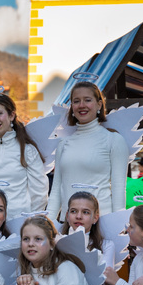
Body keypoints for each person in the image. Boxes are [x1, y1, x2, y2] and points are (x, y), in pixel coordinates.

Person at [47, 82, 128, 222]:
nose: (81, 105)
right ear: (71, 107)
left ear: (99, 105)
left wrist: (118, 226)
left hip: (101, 223)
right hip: (69, 224)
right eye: (76, 101)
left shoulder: (114, 140)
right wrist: (48, 223)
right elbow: (56, 190)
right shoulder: (63, 144)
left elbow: (119, 188)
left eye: (88, 100)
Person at [0, 92, 47, 217]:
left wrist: (31, 221)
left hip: (21, 223)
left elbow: (39, 192)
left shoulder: (28, 151)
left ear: (11, 115)